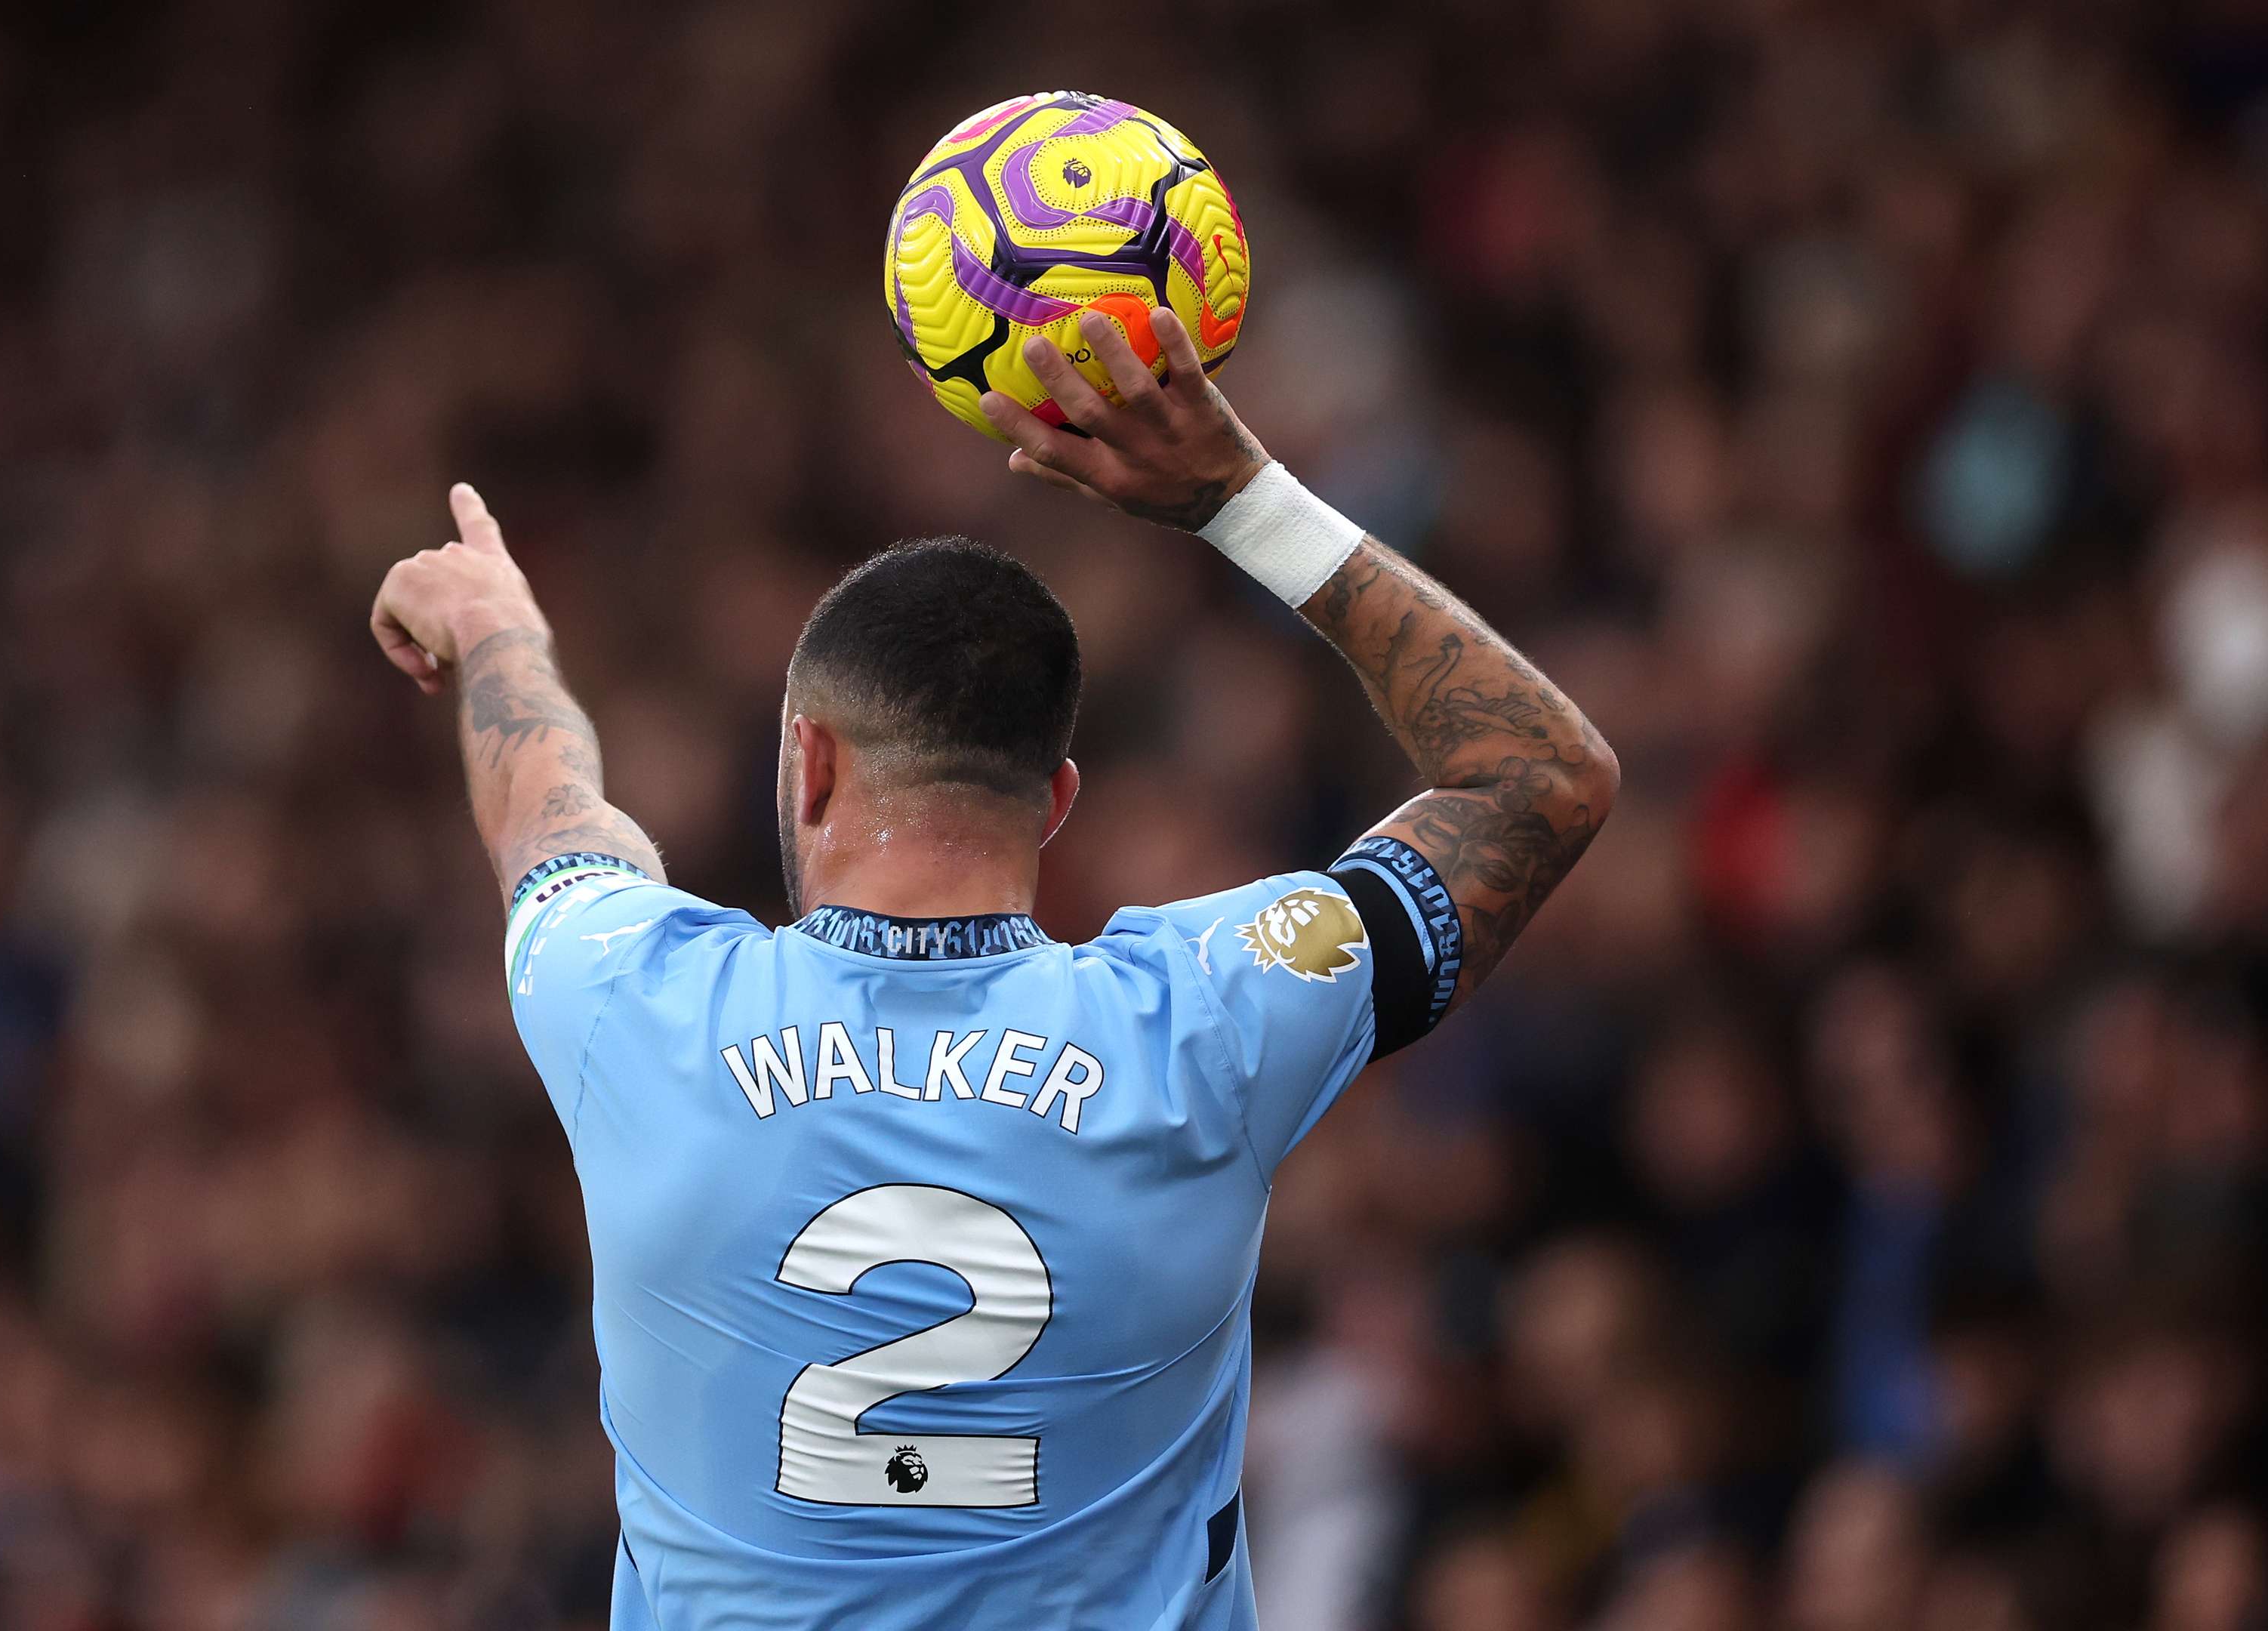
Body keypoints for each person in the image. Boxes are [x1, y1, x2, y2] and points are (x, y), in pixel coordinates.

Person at [367, 308, 1619, 1629]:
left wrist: (496, 628)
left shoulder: (636, 1002)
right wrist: (1243, 502)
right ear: (1056, 801)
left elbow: (548, 814)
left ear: (812, 765)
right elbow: (1541, 775)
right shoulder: (1204, 1019)